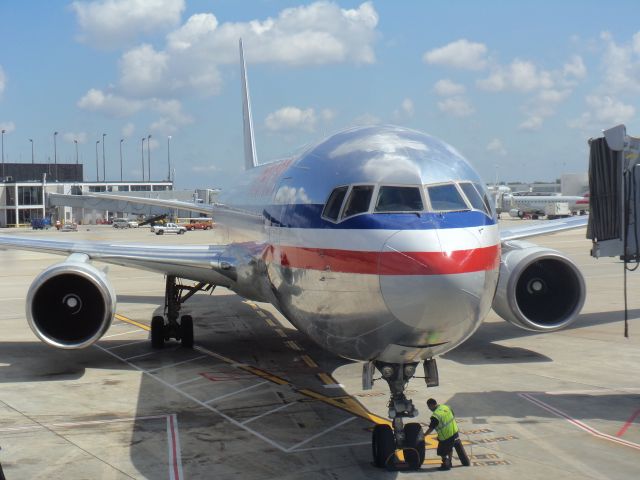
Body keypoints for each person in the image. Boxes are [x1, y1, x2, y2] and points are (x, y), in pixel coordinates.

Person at [425, 398, 459, 470]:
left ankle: (445, 465)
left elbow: (431, 428)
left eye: (429, 407)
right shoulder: (446, 407)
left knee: (442, 452)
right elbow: (452, 414)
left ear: (431, 405)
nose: (429, 409)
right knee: (450, 448)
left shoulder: (435, 416)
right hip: (454, 431)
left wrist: (423, 435)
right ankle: (450, 462)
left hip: (445, 436)